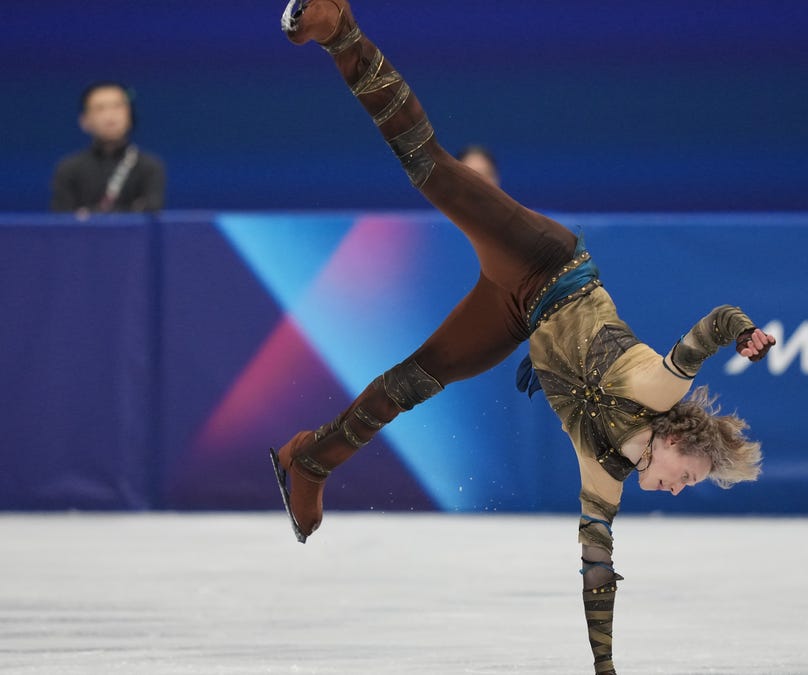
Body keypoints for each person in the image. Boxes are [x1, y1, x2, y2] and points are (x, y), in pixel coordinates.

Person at [271, 2, 776, 673]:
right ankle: (340, 30)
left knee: (416, 378)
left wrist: (604, 667)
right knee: (430, 167)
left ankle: (309, 460)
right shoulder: (660, 386)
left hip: (522, 316)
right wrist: (743, 333)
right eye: (689, 476)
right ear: (677, 439)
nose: (681, 490)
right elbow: (713, 322)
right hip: (545, 262)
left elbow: (598, 570)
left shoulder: (607, 476)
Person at [50, 82, 166, 216]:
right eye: (100, 108)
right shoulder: (68, 168)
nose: (110, 116)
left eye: (117, 106)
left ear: (130, 116)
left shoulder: (149, 166)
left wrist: (87, 214)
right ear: (84, 121)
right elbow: (62, 220)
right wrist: (129, 209)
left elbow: (150, 212)